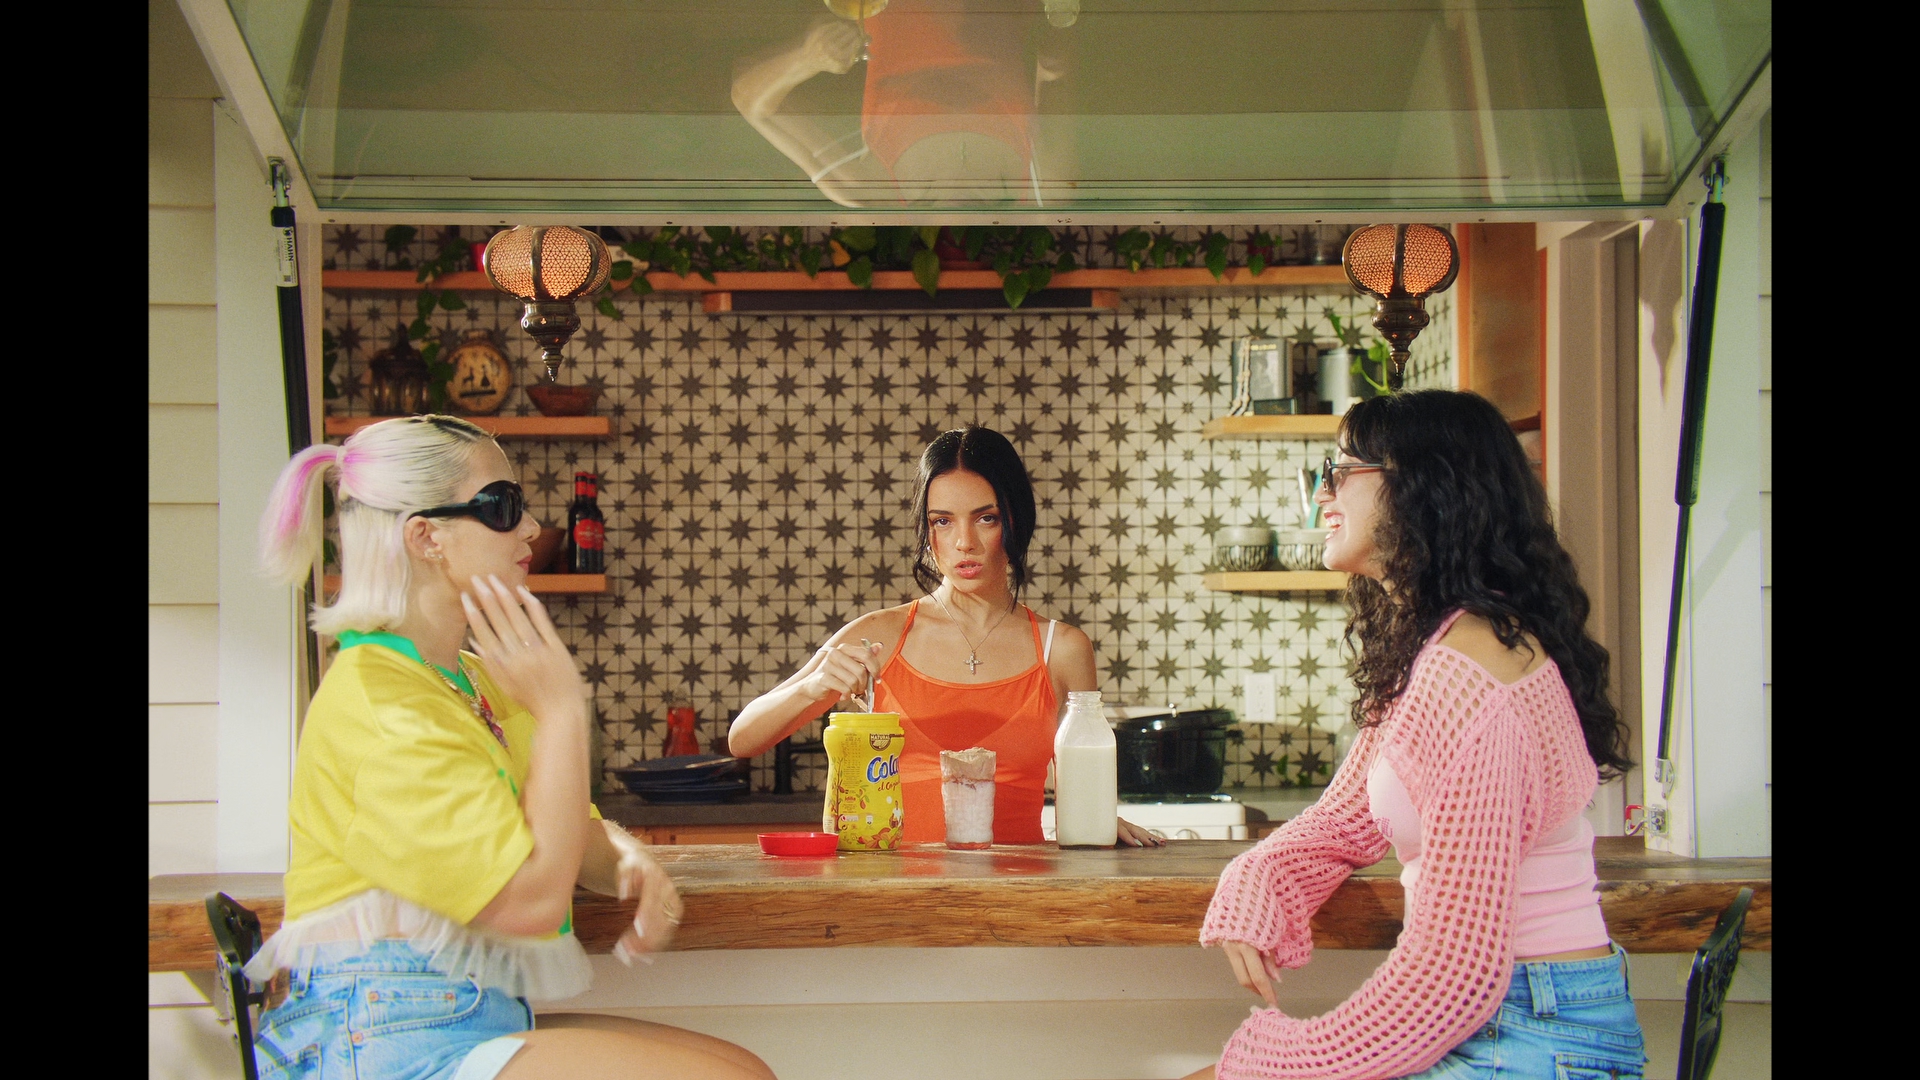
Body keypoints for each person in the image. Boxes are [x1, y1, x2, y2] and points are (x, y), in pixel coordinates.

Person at [252, 415, 774, 1080]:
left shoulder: (470, 681)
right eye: (502, 506)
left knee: (739, 1067)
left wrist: (627, 858)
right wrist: (561, 711)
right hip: (375, 1038)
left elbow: (566, 828)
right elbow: (527, 904)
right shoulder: (382, 704)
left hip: (446, 1016)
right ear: (426, 537)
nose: (530, 528)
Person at [1189, 390, 1646, 1080]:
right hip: (1526, 1019)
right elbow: (1344, 821)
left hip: (1536, 1034)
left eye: (1341, 471)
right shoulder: (1444, 646)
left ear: (1424, 486)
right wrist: (1257, 875)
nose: (1322, 495)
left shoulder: (1469, 673)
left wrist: (1284, 1056)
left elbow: (1453, 975)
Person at [729, 425, 1158, 847]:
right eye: (943, 521)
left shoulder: (1062, 649)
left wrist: (1099, 819)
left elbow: (1080, 789)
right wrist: (812, 687)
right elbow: (743, 739)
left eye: (986, 518)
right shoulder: (879, 636)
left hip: (1023, 888)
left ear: (1016, 520)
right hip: (890, 887)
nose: (964, 542)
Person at [730, 0, 1077, 208]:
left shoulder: (866, 188)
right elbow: (1062, 63)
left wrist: (807, 58)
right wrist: (1056, 57)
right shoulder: (1047, 185)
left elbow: (750, 101)